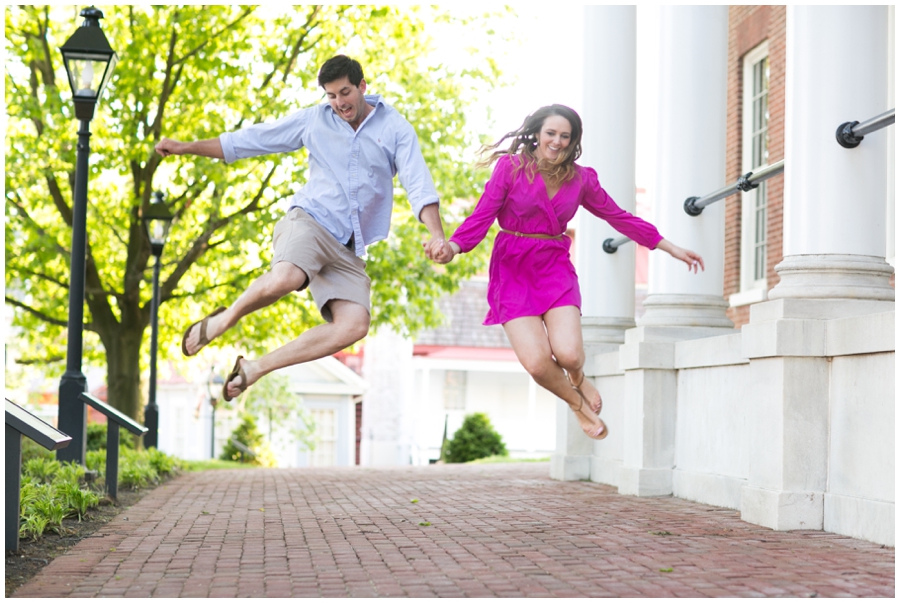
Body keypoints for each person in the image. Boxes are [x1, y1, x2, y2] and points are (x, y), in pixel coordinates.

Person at [156, 55, 450, 401]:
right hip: (309, 221)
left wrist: (436, 235)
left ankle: (255, 368)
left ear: (362, 87)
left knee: (354, 325)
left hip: (348, 246)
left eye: (345, 93)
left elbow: (418, 183)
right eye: (331, 96)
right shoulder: (314, 120)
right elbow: (250, 141)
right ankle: (222, 321)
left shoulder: (395, 128)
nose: (340, 103)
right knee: (286, 278)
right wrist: (186, 148)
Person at [432, 105, 704, 440]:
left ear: (573, 140)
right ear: (536, 134)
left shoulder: (581, 179)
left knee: (570, 354)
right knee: (536, 363)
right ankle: (577, 404)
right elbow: (483, 214)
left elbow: (619, 217)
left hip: (553, 265)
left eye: (565, 136)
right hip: (513, 268)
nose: (557, 142)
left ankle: (578, 376)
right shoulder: (511, 168)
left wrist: (667, 246)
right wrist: (455, 246)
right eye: (551, 133)